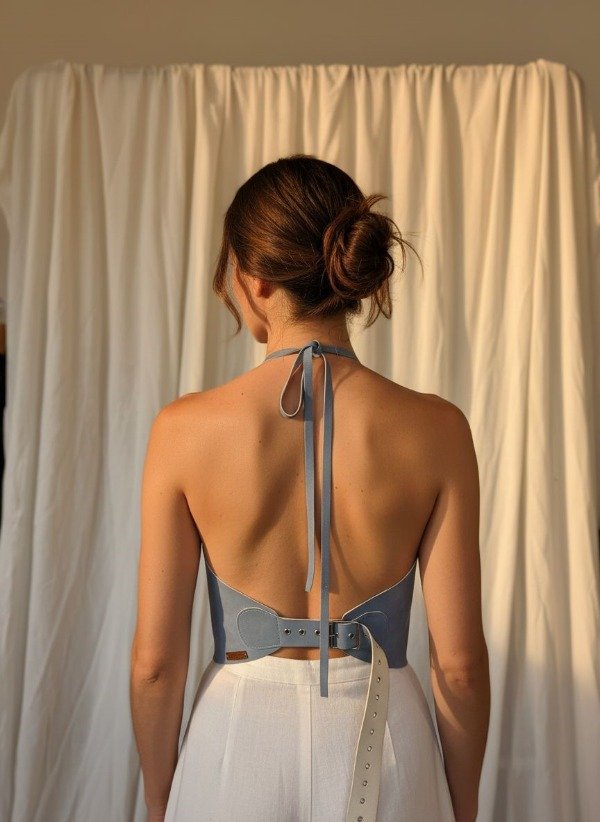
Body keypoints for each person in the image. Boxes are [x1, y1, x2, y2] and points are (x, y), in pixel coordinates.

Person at [130, 155, 490, 822]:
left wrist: (159, 799)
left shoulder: (183, 431)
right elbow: (460, 665)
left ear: (254, 277)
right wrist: (461, 804)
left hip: (235, 739)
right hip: (383, 734)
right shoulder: (438, 429)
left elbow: (156, 663)